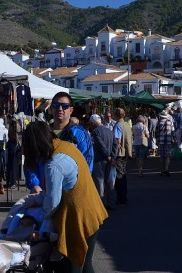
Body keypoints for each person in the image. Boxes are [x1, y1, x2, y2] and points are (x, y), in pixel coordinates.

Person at [22, 121, 108, 273]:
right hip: (93, 212)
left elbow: (53, 201)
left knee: (74, 264)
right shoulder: (67, 146)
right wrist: (39, 199)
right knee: (86, 264)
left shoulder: (53, 163)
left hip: (79, 219)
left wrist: (40, 214)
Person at [25, 92, 94, 194]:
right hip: (44, 191)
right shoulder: (43, 133)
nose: (60, 109)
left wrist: (78, 186)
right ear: (51, 109)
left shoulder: (80, 134)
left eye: (65, 106)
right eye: (56, 106)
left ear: (71, 110)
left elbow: (87, 161)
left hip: (70, 191)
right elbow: (31, 159)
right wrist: (34, 184)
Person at [89, 114, 117, 210]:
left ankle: (101, 205)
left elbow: (100, 145)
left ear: (93, 123)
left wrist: (108, 156)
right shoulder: (109, 130)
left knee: (100, 183)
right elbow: (115, 145)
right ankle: (111, 203)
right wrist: (113, 157)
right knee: (110, 182)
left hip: (100, 160)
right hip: (110, 160)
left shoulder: (95, 131)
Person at [113, 107, 131, 204]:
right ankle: (123, 196)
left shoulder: (118, 125)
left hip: (119, 153)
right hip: (126, 152)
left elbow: (117, 140)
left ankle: (121, 197)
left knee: (119, 176)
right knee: (123, 175)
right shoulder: (127, 124)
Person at [156, 109, 175, 176]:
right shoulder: (170, 122)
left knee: (161, 156)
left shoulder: (159, 122)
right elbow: (173, 131)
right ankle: (166, 169)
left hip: (161, 141)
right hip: (168, 141)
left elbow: (157, 132)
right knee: (168, 156)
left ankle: (162, 170)